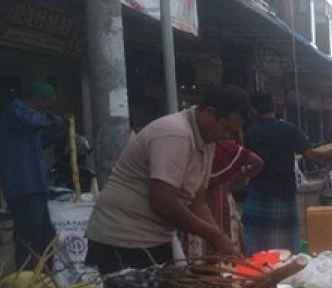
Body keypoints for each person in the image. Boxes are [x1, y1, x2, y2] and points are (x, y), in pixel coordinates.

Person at [85, 85, 252, 272]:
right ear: (208, 112)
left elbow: (198, 201)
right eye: (226, 128)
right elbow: (163, 202)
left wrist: (221, 240)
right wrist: (213, 235)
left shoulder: (207, 141)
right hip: (122, 240)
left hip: (156, 239)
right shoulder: (175, 133)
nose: (226, 136)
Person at [242, 94, 332, 255]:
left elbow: (244, 163)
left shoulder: (250, 132)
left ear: (253, 111)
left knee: (255, 246)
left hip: (258, 193)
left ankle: (258, 274)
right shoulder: (289, 129)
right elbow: (312, 156)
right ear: (274, 108)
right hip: (283, 193)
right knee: (284, 250)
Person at [0, 81, 64, 268]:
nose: (46, 109)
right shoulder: (16, 111)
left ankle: (44, 275)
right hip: (23, 186)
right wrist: (52, 119)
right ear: (36, 100)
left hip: (36, 185)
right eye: (46, 105)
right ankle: (27, 278)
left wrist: (60, 131)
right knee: (29, 236)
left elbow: (41, 141)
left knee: (45, 235)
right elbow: (34, 120)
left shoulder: (28, 124)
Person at [184, 140, 264, 258]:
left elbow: (257, 162)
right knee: (226, 241)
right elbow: (256, 162)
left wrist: (232, 178)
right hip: (218, 200)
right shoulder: (224, 147)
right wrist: (233, 178)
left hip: (194, 201)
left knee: (197, 247)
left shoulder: (192, 146)